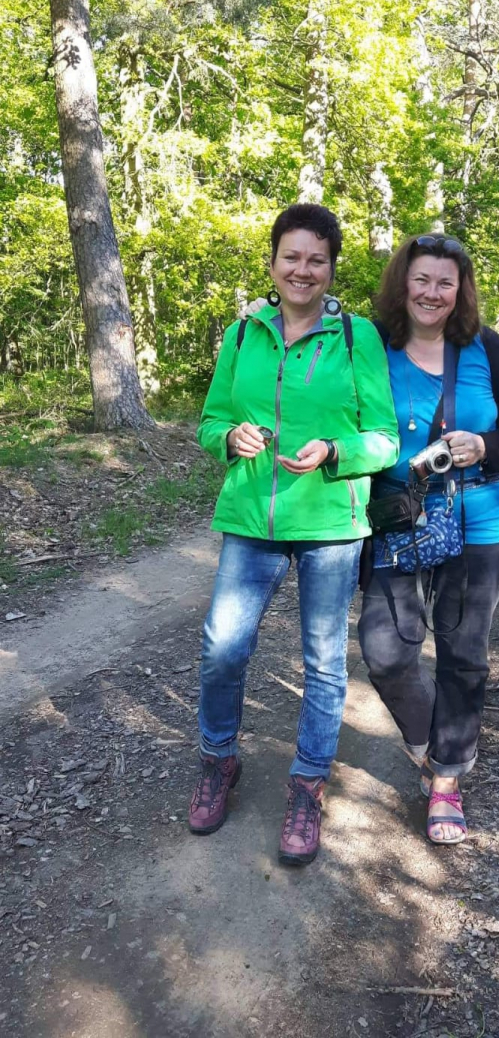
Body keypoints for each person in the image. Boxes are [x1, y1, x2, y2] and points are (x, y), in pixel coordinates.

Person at [189, 203, 399, 865]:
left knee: (324, 662)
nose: (302, 270)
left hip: (331, 523)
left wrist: (336, 451)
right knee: (223, 648)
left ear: (331, 268)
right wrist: (230, 437)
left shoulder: (356, 338)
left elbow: (385, 438)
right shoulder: (241, 335)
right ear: (274, 262)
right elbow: (209, 422)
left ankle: (308, 785)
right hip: (252, 518)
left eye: (316, 259)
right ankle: (218, 760)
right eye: (291, 257)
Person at [358, 234, 499, 844]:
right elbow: (308, 339)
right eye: (422, 279)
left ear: (461, 291)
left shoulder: (487, 348)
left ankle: (446, 778)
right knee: (386, 651)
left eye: (446, 282)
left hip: (483, 517)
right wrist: (264, 311)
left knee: (464, 654)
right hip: (401, 517)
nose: (432, 293)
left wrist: (487, 444)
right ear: (402, 283)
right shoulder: (371, 345)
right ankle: (427, 745)